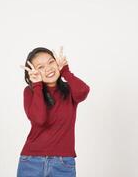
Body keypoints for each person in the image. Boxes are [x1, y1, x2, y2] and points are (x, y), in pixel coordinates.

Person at [18, 46, 90, 177]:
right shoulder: (30, 92)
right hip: (31, 162)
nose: (48, 68)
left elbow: (83, 91)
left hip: (63, 164)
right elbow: (40, 119)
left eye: (51, 62)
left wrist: (65, 71)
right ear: (34, 72)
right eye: (40, 67)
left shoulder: (70, 90)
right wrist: (37, 85)